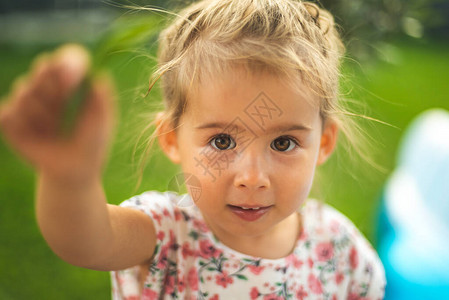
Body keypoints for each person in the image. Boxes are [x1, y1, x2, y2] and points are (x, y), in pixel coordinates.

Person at [0, 0, 385, 299]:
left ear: (323, 142)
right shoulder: (167, 231)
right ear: (171, 138)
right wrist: (70, 178)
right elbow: (84, 241)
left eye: (283, 143)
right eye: (222, 141)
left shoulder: (338, 247)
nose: (252, 178)